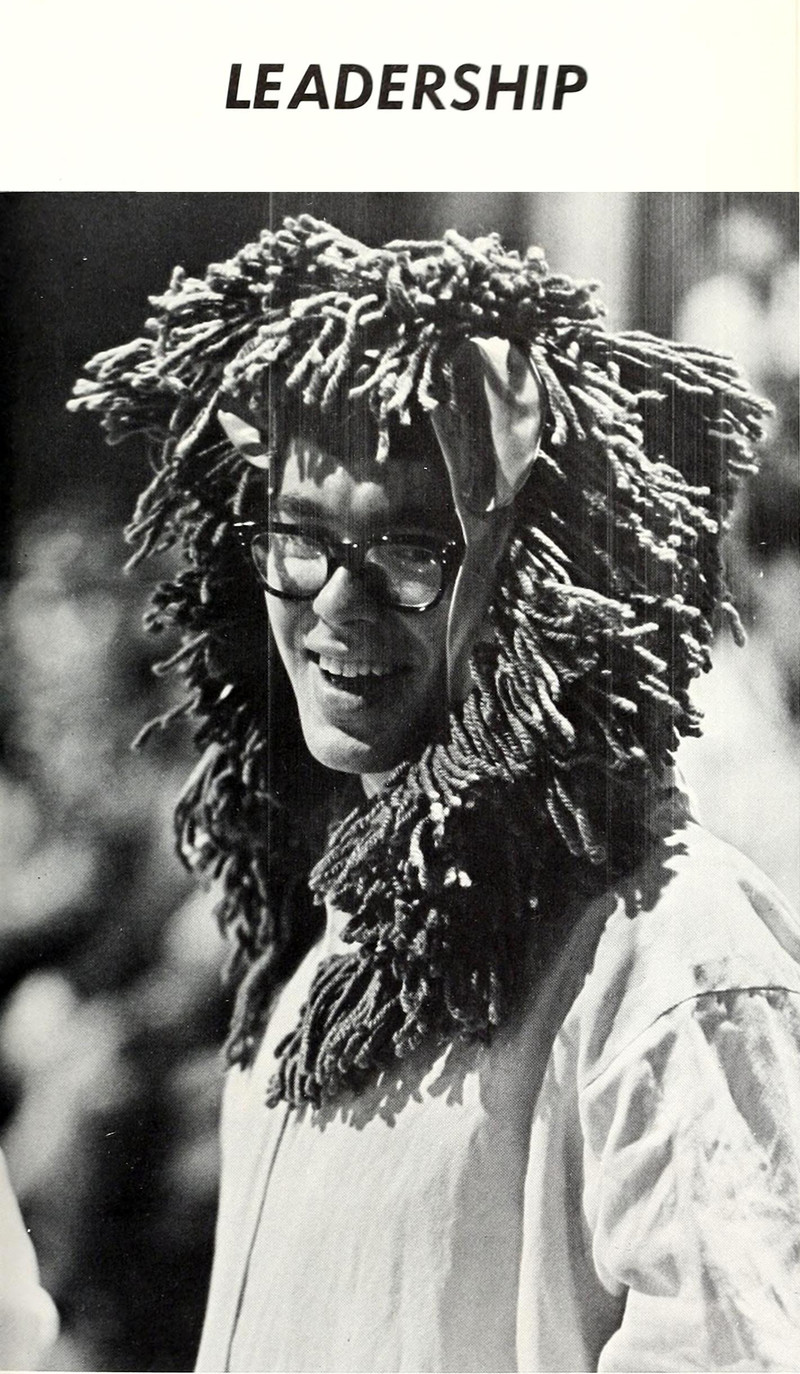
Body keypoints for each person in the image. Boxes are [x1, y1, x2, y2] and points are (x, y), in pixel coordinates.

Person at [71, 216, 800, 1372]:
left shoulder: (674, 955)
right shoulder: (320, 969)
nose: (335, 606)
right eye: (300, 538)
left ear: (535, 581)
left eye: (413, 548)